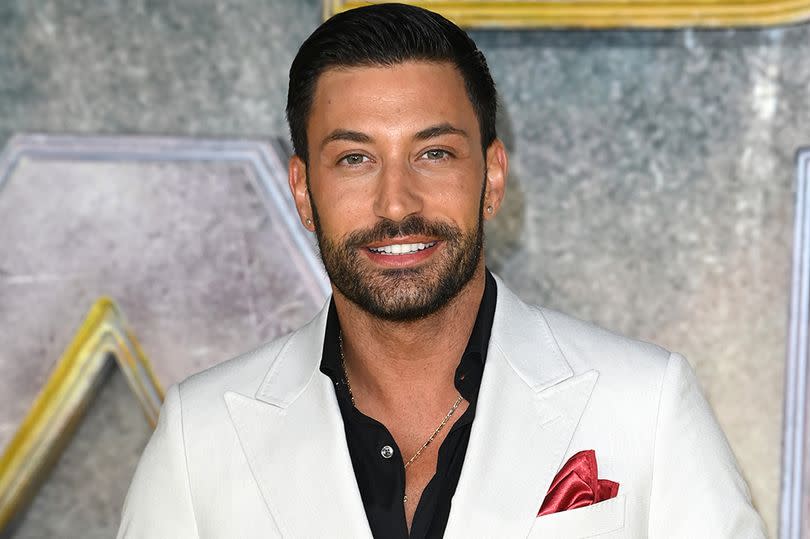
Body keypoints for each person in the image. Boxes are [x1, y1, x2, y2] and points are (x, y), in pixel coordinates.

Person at [117, 3, 766, 538]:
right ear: (303, 191)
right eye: (353, 159)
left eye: (433, 152)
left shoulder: (645, 407)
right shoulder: (198, 435)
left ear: (492, 179)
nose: (397, 202)